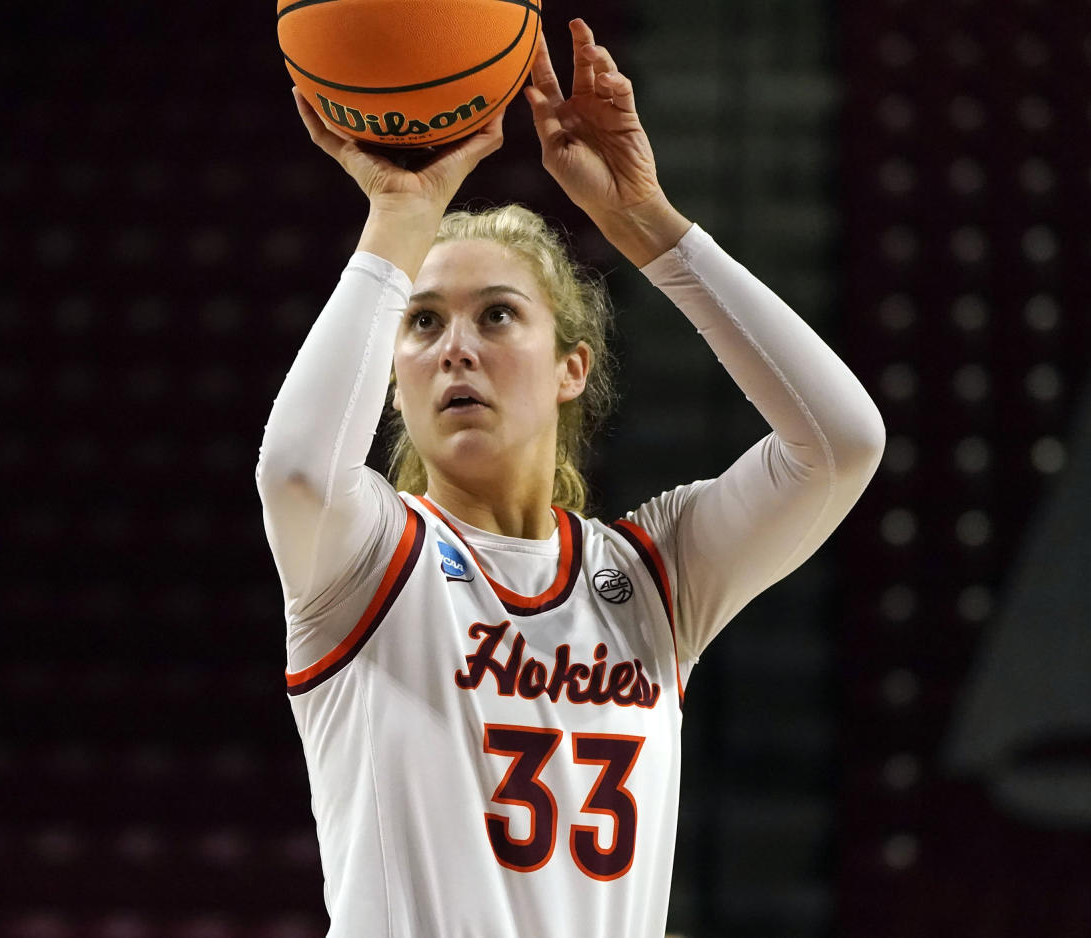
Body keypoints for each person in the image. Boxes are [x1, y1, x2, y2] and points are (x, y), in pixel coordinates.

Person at [256, 18, 885, 938]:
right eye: (422, 324)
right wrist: (397, 218)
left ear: (571, 368)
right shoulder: (367, 560)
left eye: (498, 315)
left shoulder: (653, 579)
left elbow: (843, 441)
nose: (456, 348)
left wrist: (648, 225)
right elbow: (298, 472)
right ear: (390, 375)